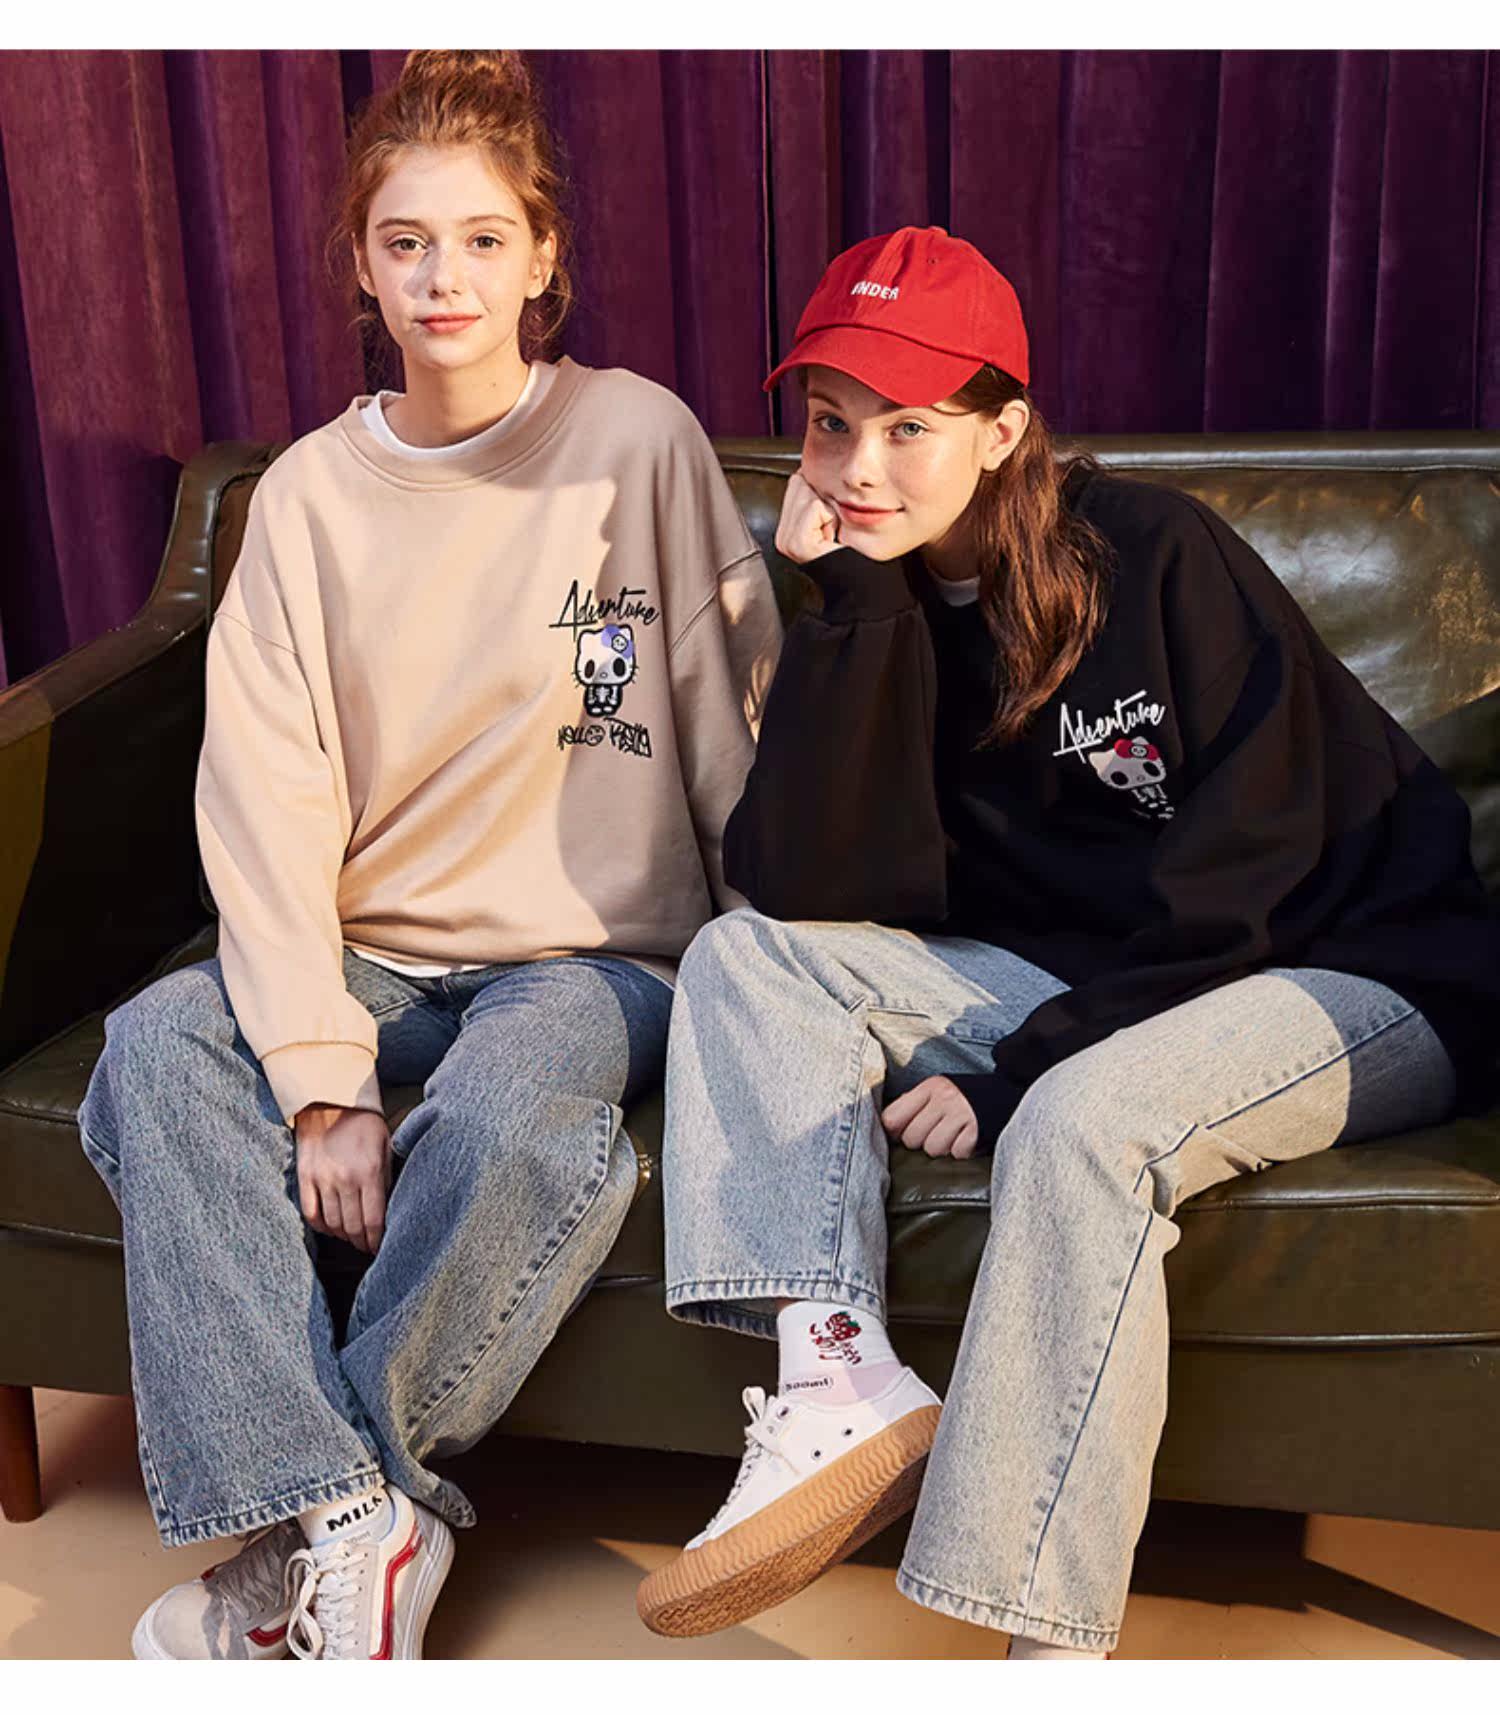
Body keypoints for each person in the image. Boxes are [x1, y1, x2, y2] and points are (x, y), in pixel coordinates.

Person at [637, 225, 1500, 1658]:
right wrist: (851, 613)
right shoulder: (881, 589)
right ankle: (837, 1380)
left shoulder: (1156, 553)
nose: (858, 468)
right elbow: (796, 884)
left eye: (909, 428)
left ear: (1004, 432)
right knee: (743, 959)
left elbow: (1253, 878)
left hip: (1356, 967)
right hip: (1104, 975)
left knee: (1080, 1122)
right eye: (832, 423)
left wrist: (1021, 1066)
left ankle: (1046, 1650)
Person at [77, 49, 779, 1661]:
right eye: (405, 243)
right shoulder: (306, 501)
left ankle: (331, 1516)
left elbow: (734, 724)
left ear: (543, 259)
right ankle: (354, 1519)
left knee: (519, 1109)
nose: (442, 277)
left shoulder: (637, 441)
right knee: (157, 1044)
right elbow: (262, 801)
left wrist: (786, 981)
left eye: (480, 239)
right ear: (362, 266)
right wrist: (324, 1077)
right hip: (373, 952)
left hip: (596, 961)